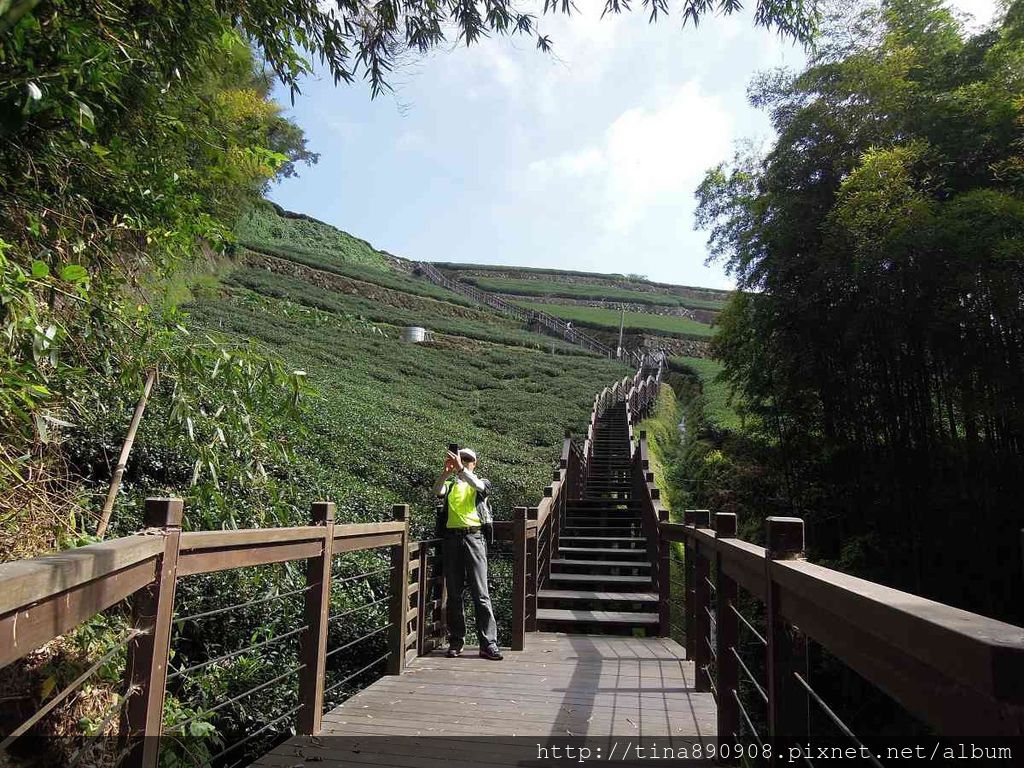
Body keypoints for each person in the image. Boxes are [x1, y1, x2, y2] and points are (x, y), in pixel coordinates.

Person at [433, 447, 503, 661]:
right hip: (452, 539)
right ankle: (457, 640)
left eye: (468, 460)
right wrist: (446, 472)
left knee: (481, 594)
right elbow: (437, 491)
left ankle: (488, 643)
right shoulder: (451, 484)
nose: (464, 462)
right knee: (454, 594)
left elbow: (480, 486)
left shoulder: (480, 482)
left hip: (475, 538)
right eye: (461, 459)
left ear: (475, 463)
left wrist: (461, 469)